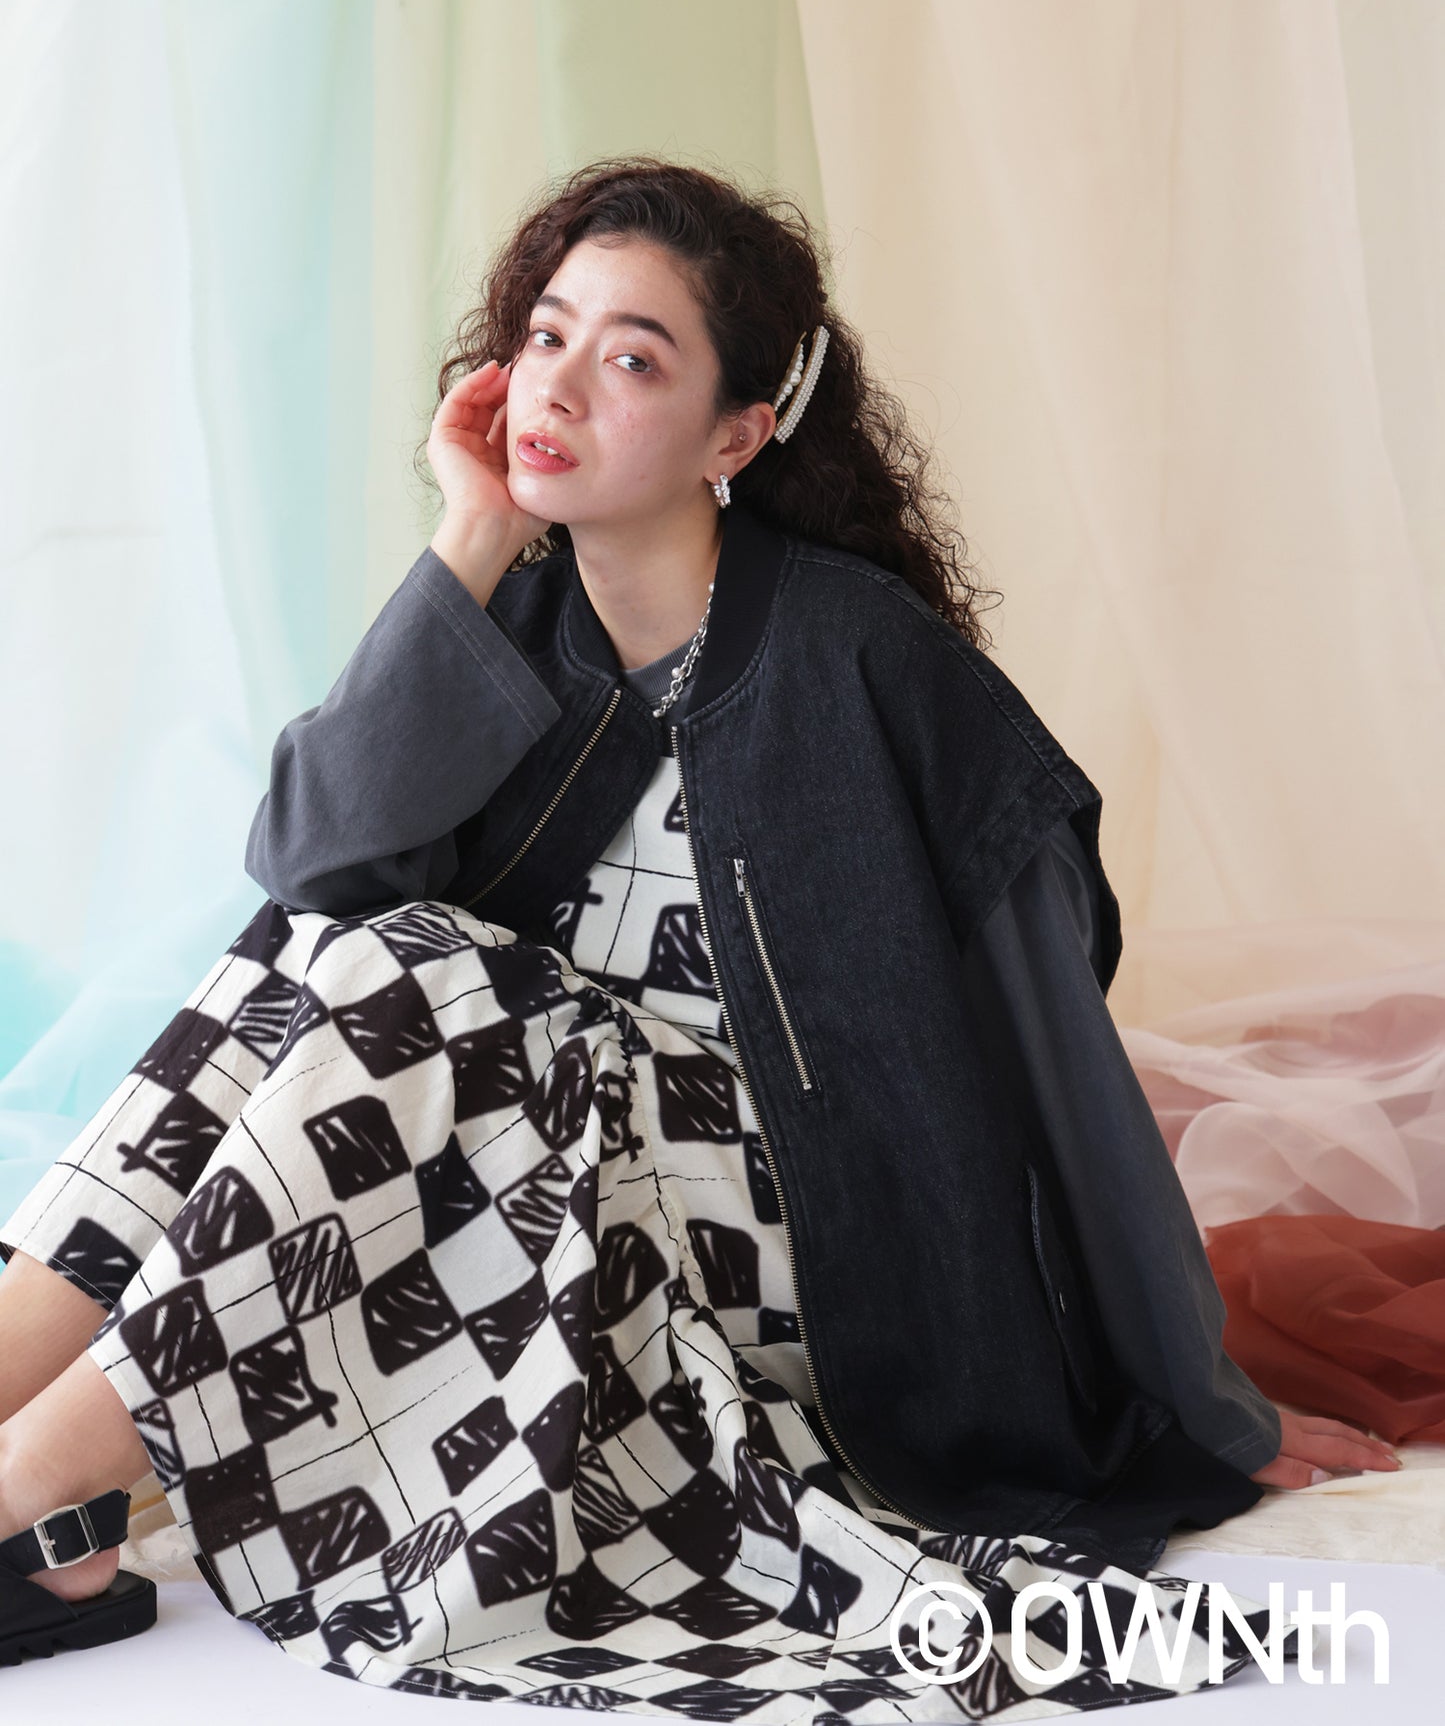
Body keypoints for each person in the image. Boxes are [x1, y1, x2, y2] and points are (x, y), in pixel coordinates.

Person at [0, 157, 1398, 1708]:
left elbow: (1058, 1061)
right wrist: (470, 534)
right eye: (545, 334)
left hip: (825, 1275)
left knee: (419, 970)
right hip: (553, 1219)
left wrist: (1199, 1401)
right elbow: (312, 863)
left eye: (633, 358)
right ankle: (38, 1501)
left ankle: (27, 1490)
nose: (558, 385)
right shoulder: (517, 631)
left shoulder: (866, 662)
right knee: (331, 945)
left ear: (737, 435)